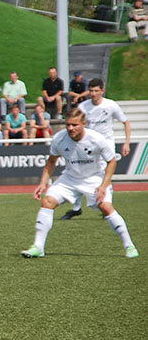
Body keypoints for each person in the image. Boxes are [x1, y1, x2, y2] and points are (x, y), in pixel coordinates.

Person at [21, 109, 138, 259]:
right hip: (70, 178)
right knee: (47, 201)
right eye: (68, 125)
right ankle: (38, 247)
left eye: (74, 125)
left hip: (94, 178)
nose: (70, 128)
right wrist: (43, 183)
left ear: (84, 124)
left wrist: (103, 186)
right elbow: (51, 161)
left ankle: (129, 246)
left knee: (106, 207)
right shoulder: (59, 138)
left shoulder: (96, 139)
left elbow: (111, 161)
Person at [61, 77, 131, 221]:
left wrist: (127, 142)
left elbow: (125, 122)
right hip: (88, 145)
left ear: (102, 91)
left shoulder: (111, 105)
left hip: (105, 144)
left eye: (96, 91)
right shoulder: (83, 107)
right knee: (79, 172)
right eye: (91, 91)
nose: (93, 94)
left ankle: (107, 207)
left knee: (105, 174)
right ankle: (76, 208)